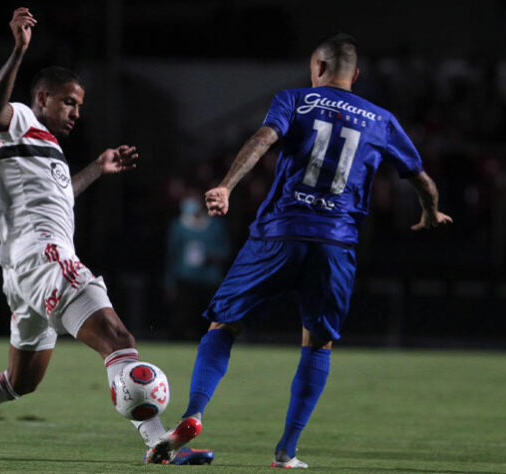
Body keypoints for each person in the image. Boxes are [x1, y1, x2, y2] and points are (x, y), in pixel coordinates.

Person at [0, 8, 213, 465]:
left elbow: (60, 198)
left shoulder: (45, 149)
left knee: (21, 382)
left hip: (21, 275)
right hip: (46, 259)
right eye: (69, 102)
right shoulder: (19, 118)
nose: (77, 112)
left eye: (79, 105)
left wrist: (98, 167)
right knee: (118, 337)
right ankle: (159, 442)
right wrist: (18, 51)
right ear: (42, 97)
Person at [151, 33, 453, 468]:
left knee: (223, 325)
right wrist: (431, 212)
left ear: (318, 68)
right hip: (335, 245)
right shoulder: (381, 119)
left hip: (278, 234)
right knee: (318, 343)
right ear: (356, 75)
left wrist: (225, 186)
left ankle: (194, 414)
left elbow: (263, 139)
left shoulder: (296, 99)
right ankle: (286, 452)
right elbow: (422, 179)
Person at [164, 190, 230, 340]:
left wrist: (214, 256)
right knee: (182, 317)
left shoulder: (215, 225)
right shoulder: (178, 226)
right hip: (186, 278)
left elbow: (226, 249)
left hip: (210, 279)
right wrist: (170, 282)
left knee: (208, 321)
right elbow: (172, 256)